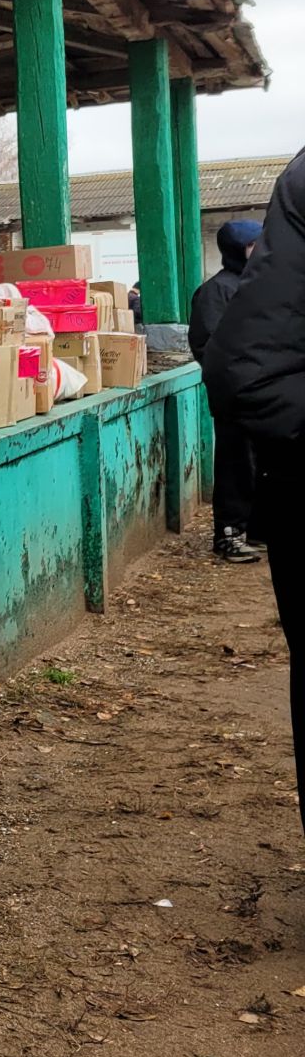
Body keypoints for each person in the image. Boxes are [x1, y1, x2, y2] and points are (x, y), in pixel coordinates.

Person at [202, 147, 305, 836]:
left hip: (275, 421)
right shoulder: (214, 292)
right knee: (232, 478)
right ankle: (229, 532)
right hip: (263, 421)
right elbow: (234, 356)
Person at [190, 220, 265, 562]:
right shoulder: (216, 291)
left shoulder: (260, 285)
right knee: (235, 463)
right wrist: (240, 380)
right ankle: (228, 533)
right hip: (236, 392)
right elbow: (210, 345)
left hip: (266, 391)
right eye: (252, 245)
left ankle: (254, 528)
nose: (259, 251)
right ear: (236, 250)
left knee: (261, 463)